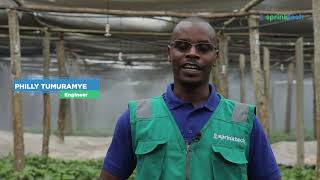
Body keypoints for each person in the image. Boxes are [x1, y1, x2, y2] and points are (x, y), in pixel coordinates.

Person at [100, 16, 281, 180]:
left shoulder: (243, 122)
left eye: (203, 48)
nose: (192, 53)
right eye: (182, 46)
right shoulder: (137, 118)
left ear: (216, 57)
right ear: (169, 53)